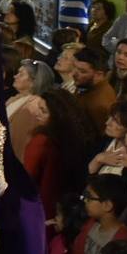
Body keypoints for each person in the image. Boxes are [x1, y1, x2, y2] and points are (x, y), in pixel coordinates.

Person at [25, 89, 98, 221]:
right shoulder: (76, 138)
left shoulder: (42, 141)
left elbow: (27, 178)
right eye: (39, 108)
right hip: (62, 212)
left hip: (38, 210)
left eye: (44, 111)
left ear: (58, 115)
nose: (37, 114)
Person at [7, 58, 55, 159]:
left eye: (21, 74)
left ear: (34, 81)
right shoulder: (18, 98)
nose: (15, 76)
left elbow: (22, 142)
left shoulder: (34, 106)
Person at [72, 47, 117, 133]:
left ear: (99, 74)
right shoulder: (86, 85)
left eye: (82, 71)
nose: (74, 74)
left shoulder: (99, 105)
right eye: (74, 67)